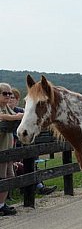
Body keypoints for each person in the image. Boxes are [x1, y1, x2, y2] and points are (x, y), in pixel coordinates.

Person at [8, 88, 57, 196]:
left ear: (17, 100)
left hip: (21, 145)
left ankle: (38, 187)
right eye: (8, 97)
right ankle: (37, 188)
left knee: (30, 161)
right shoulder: (5, 112)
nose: (10, 100)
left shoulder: (21, 111)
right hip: (11, 147)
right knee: (21, 165)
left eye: (13, 98)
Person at [0, 84, 23, 216]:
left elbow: (14, 114)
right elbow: (3, 117)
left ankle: (2, 204)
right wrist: (17, 117)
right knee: (2, 177)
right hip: (2, 149)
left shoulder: (7, 107)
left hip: (8, 149)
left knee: (9, 176)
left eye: (9, 94)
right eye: (5, 94)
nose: (8, 96)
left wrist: (18, 116)